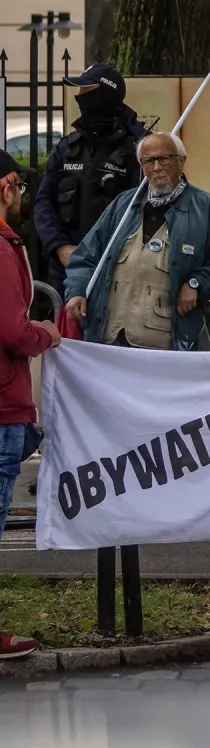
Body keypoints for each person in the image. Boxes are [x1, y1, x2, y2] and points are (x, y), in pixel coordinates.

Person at [62, 132, 210, 350]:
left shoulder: (205, 207)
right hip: (111, 340)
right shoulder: (124, 205)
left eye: (164, 158)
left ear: (181, 161)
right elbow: (85, 256)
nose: (156, 167)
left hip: (165, 348)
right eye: (149, 161)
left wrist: (196, 283)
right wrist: (77, 290)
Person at [0, 153, 59, 659]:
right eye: (17, 185)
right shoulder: (1, 247)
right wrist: (45, 333)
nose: (20, 196)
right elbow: (12, 331)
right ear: (5, 187)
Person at [32, 63, 149, 283]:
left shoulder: (140, 148)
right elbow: (43, 202)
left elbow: (149, 209)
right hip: (66, 269)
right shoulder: (67, 147)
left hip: (118, 269)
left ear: (104, 94)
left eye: (86, 90)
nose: (79, 97)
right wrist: (60, 246)